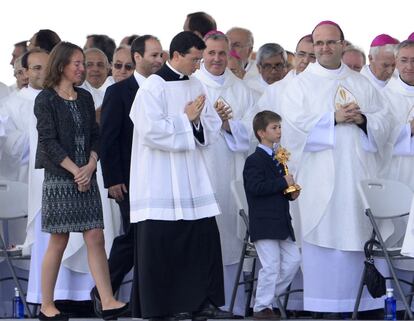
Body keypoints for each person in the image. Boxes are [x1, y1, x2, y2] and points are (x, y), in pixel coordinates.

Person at [280, 20, 390, 315]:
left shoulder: (360, 82)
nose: (324, 48)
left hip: (356, 176)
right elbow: (291, 127)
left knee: (357, 232)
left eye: (331, 42)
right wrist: (333, 118)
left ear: (343, 45)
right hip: (319, 180)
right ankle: (324, 307)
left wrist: (364, 120)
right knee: (324, 238)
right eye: (319, 43)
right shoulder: (300, 85)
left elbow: (384, 121)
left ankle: (365, 305)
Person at [129, 31, 224, 320]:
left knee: (201, 238)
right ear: (177, 56)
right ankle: (163, 307)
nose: (199, 65)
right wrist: (187, 120)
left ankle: (202, 302)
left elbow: (208, 125)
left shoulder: (197, 84)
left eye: (200, 59)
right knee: (162, 244)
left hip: (191, 178)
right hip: (158, 178)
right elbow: (150, 131)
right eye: (195, 59)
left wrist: (196, 123)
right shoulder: (152, 87)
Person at [33, 41, 128, 321]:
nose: (81, 68)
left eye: (82, 63)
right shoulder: (46, 99)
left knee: (96, 236)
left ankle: (107, 299)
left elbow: (97, 136)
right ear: (61, 65)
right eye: (76, 63)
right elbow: (47, 142)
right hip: (61, 177)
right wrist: (76, 170)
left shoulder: (85, 98)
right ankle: (47, 306)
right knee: (58, 240)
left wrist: (91, 164)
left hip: (86, 173)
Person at [94, 34, 164, 316]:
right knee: (134, 237)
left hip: (158, 179)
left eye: (162, 56)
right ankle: (104, 291)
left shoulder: (165, 89)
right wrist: (112, 179)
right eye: (155, 55)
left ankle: (133, 297)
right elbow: (108, 139)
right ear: (138, 57)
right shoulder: (119, 92)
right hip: (129, 180)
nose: (160, 60)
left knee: (147, 238)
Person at [194, 30, 256, 317]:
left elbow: (255, 134)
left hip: (232, 170)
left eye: (222, 53)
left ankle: (231, 304)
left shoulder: (241, 90)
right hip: (199, 172)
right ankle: (199, 302)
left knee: (230, 236)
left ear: (229, 53)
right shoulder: (191, 86)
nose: (217, 58)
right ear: (203, 54)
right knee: (201, 238)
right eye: (211, 52)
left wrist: (230, 125)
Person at [243, 111, 301, 320]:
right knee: (271, 265)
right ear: (261, 133)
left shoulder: (279, 157)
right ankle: (262, 306)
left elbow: (278, 189)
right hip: (265, 222)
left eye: (279, 127)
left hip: (281, 220)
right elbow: (256, 188)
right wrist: (283, 182)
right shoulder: (254, 160)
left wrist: (290, 192)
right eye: (274, 128)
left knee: (294, 260)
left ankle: (265, 300)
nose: (279, 131)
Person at [256, 35, 315, 115]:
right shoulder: (274, 91)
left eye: (312, 56)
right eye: (301, 54)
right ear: (295, 56)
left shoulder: (327, 85)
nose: (305, 60)